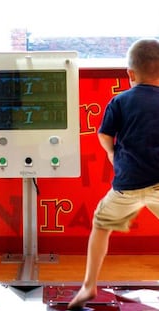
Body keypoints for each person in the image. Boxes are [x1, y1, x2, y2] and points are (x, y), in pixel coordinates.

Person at [68, 38, 159, 309]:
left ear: (130, 74)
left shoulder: (120, 101)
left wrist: (111, 154)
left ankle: (88, 285)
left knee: (101, 225)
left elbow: (104, 134)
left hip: (126, 184)